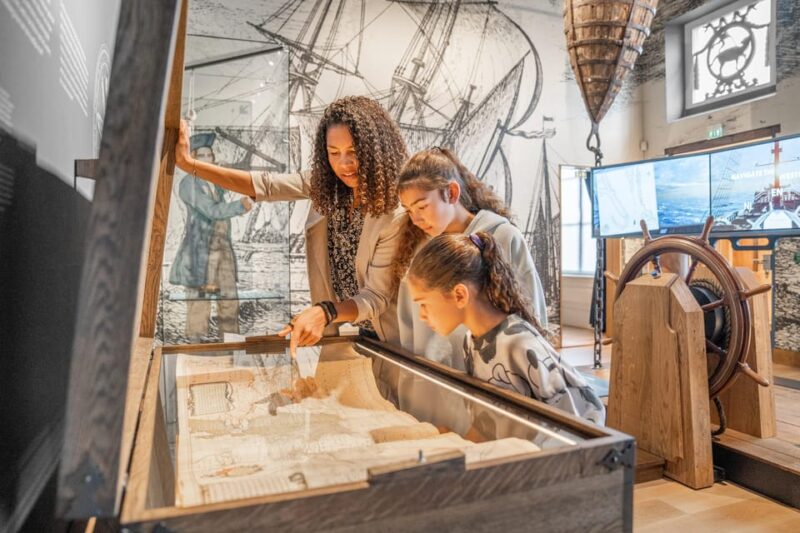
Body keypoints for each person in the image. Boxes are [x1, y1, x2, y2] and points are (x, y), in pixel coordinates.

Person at [175, 96, 408, 353]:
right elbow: (265, 185)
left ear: (375, 151)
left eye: (353, 152)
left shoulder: (394, 212)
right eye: (334, 153)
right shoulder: (326, 186)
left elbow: (375, 298)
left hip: (392, 341)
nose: (344, 164)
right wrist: (189, 165)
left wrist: (325, 312)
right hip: (346, 334)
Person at [406, 231, 605, 424]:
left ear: (460, 295)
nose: (422, 315)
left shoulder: (518, 344)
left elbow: (583, 419)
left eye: (423, 303)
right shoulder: (471, 341)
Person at [394, 147, 547, 370]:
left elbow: (530, 310)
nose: (415, 219)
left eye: (422, 206)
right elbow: (410, 323)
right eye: (409, 211)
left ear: (452, 193)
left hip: (495, 375)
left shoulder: (502, 236)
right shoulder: (420, 249)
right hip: (433, 377)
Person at [169, 132, 253, 341]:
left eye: (210, 156)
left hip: (223, 251)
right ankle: (193, 355)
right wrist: (241, 205)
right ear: (193, 158)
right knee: (198, 308)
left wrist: (247, 162)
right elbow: (213, 211)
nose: (208, 160)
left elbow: (233, 172)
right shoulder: (188, 184)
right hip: (199, 255)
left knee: (229, 303)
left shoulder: (214, 182)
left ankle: (233, 349)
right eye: (203, 156)